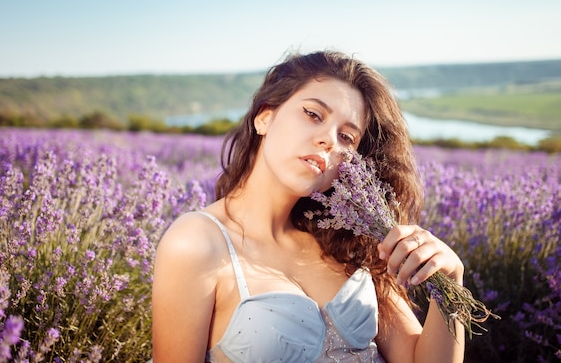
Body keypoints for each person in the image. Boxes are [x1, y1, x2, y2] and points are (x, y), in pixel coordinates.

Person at [151, 50, 465, 363]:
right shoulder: (197, 243)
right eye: (313, 114)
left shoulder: (351, 245)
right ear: (265, 117)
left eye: (346, 137)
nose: (329, 140)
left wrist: (450, 280)